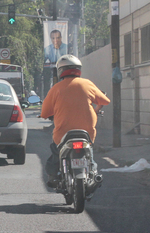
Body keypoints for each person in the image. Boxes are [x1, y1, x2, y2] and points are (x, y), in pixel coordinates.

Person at [40, 55, 110, 187]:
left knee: (56, 154)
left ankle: (54, 176)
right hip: (87, 132)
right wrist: (94, 109)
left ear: (60, 70)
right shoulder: (87, 84)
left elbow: (44, 113)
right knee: (89, 154)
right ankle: (93, 173)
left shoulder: (56, 88)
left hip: (63, 134)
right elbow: (105, 101)